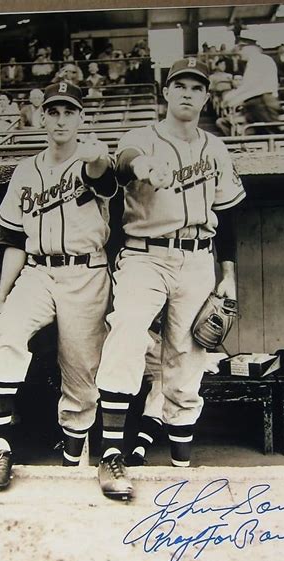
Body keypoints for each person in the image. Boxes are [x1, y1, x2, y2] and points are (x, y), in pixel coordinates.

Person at [95, 57, 245, 499]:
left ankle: (182, 463)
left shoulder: (216, 148)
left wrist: (228, 274)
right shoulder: (142, 137)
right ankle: (110, 455)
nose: (186, 92)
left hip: (199, 258)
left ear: (204, 96)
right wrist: (142, 169)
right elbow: (123, 163)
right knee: (125, 336)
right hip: (146, 255)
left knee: (188, 353)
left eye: (195, 87)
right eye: (179, 84)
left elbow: (229, 214)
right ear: (166, 91)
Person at [0, 81, 118, 491]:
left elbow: (105, 181)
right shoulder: (26, 171)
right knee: (4, 336)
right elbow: (13, 241)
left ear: (81, 118)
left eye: (69, 112)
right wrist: (1, 300)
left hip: (86, 272)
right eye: (53, 111)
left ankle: (73, 459)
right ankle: (2, 448)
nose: (61, 119)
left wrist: (97, 162)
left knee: (81, 376)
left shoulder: (94, 159)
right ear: (42, 117)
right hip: (38, 271)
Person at [222, 39, 280, 134]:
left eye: (240, 51)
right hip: (261, 100)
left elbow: (249, 86)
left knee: (270, 131)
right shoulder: (259, 60)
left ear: (249, 49)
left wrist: (230, 97)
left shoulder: (258, 60)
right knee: (264, 131)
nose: (239, 56)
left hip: (262, 101)